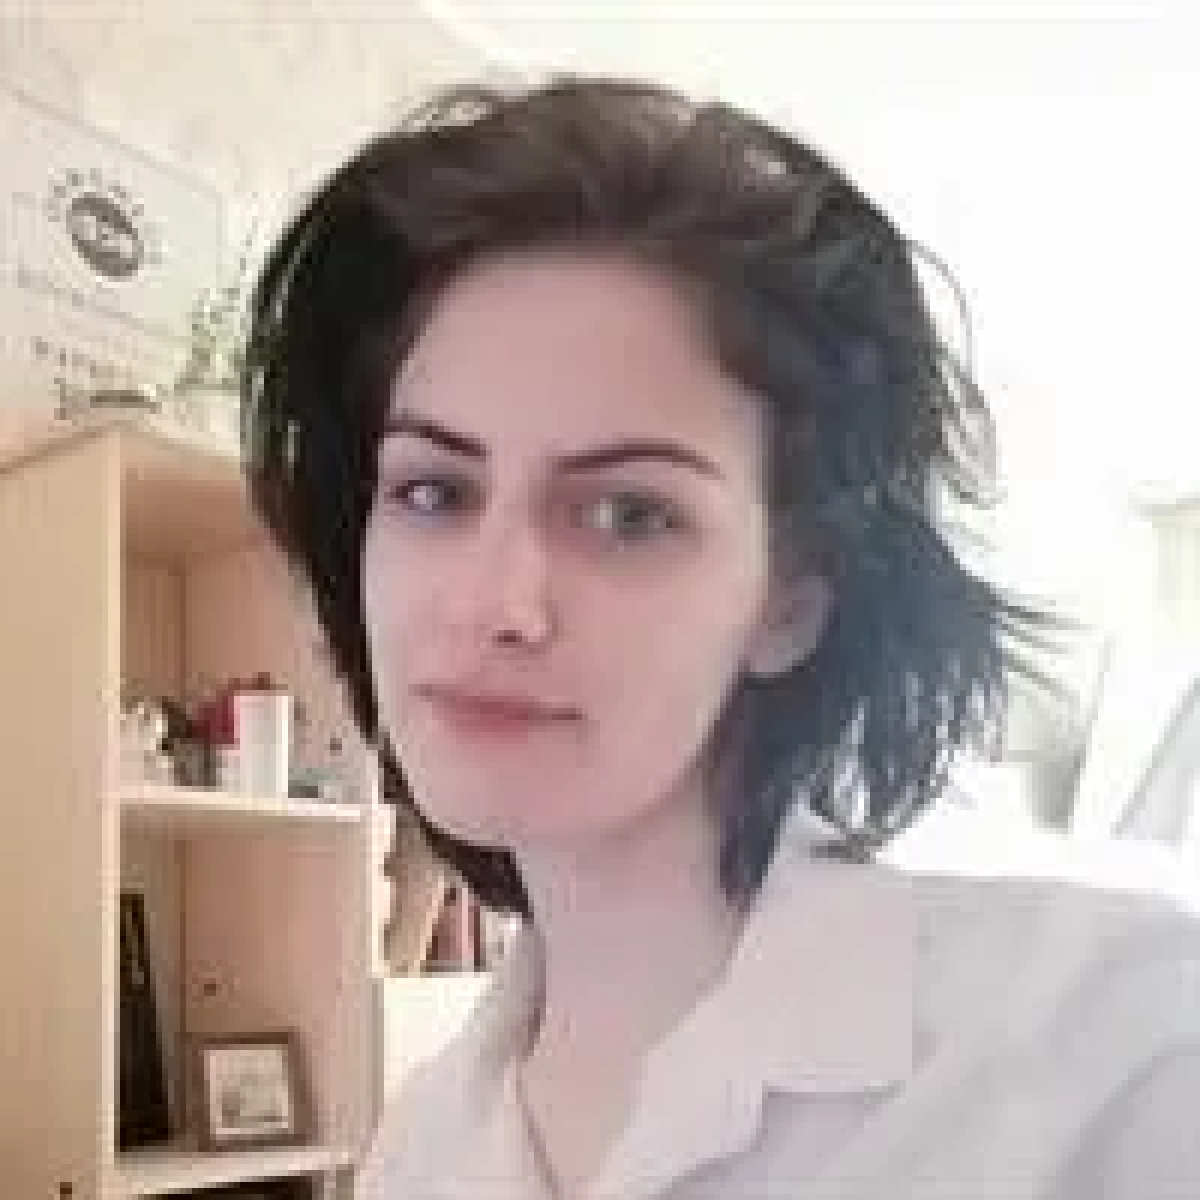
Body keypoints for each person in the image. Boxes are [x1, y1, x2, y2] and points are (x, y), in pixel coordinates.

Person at [242, 77, 1200, 1198]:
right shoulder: (420, 1149)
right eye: (433, 491)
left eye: (627, 515)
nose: (494, 603)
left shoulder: (1127, 1053)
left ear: (791, 602)